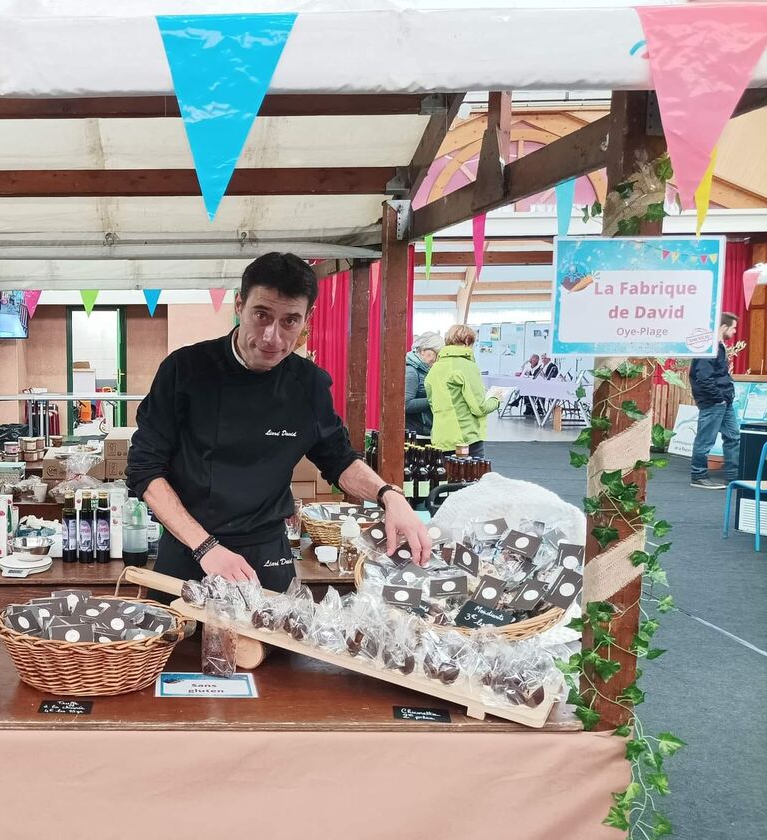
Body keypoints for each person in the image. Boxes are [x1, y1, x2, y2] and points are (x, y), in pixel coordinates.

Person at [127, 252, 431, 592]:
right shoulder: (185, 370)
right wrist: (205, 547)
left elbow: (339, 459)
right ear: (240, 306)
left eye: (289, 320)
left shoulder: (309, 385)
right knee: (176, 645)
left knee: (274, 644)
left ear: (306, 319)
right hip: (188, 549)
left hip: (266, 553)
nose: (273, 336)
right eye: (262, 315)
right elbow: (145, 469)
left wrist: (390, 496)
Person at [425, 324, 506, 456]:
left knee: (446, 475)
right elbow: (479, 408)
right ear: (468, 342)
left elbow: (432, 403)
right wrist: (496, 399)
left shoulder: (434, 368)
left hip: (441, 437)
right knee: (473, 476)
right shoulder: (467, 367)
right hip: (466, 438)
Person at [690, 313, 741, 490]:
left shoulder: (718, 346)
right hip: (714, 401)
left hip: (724, 400)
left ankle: (733, 477)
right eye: (733, 327)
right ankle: (698, 475)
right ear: (723, 327)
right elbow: (703, 377)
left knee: (733, 437)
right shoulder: (709, 348)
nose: (735, 331)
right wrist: (718, 398)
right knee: (705, 440)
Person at [404, 332, 443, 438]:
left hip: (420, 428)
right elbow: (406, 404)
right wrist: (434, 400)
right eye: (436, 354)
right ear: (423, 350)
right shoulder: (411, 371)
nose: (436, 359)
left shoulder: (423, 369)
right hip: (415, 430)